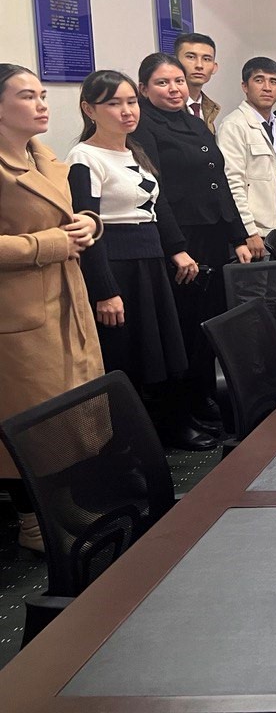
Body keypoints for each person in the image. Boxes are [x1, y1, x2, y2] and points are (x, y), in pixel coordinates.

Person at [0, 64, 102, 552]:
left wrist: (89, 224)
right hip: (18, 312)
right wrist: (50, 244)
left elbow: (67, 216)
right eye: (27, 96)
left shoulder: (44, 156)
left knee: (65, 411)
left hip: (64, 297)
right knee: (29, 419)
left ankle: (63, 504)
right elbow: (48, 234)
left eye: (42, 94)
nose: (42, 104)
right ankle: (33, 522)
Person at [68, 70, 196, 443]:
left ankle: (162, 432)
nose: (127, 111)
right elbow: (87, 227)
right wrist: (105, 290)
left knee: (157, 352)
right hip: (116, 265)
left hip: (149, 260)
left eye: (131, 102)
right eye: (113, 103)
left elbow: (156, 206)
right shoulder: (84, 157)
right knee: (125, 357)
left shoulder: (134, 150)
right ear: (89, 109)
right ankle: (127, 444)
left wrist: (175, 250)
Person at [133, 53, 253, 450]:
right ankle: (176, 416)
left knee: (207, 326)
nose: (174, 89)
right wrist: (176, 247)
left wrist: (238, 236)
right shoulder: (144, 126)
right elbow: (156, 194)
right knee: (182, 330)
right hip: (181, 241)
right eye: (162, 83)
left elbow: (220, 181)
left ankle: (202, 400)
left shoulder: (194, 121)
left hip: (214, 236)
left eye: (178, 82)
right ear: (144, 89)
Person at [217, 57, 276, 253]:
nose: (267, 88)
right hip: (255, 232)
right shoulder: (234, 125)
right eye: (259, 80)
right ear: (245, 86)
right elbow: (232, 183)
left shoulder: (275, 125)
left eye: (273, 81)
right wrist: (248, 231)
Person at [173, 32, 221, 133]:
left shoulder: (209, 108)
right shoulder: (168, 105)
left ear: (214, 67)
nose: (199, 65)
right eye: (191, 57)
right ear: (175, 63)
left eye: (206, 59)